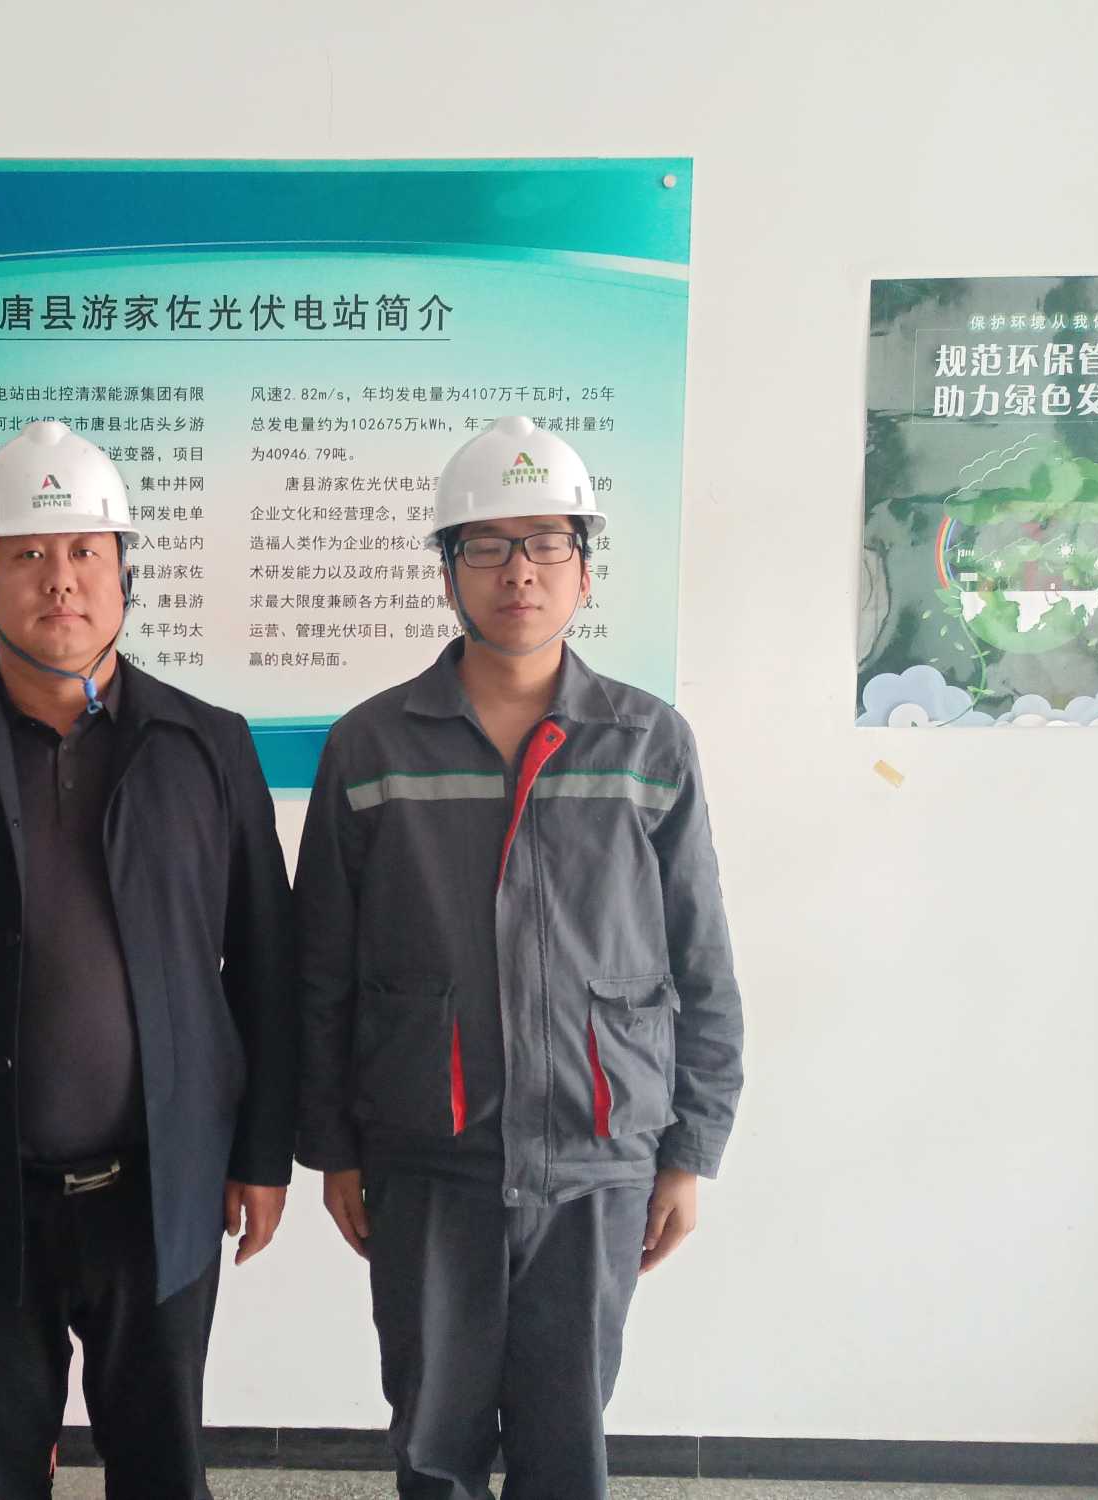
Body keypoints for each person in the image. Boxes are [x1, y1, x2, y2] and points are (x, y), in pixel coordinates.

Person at [0, 419, 295, 1500]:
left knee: (163, 1470)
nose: (60, 578)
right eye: (27, 553)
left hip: (160, 1190)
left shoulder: (207, 745)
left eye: (85, 551)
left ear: (125, 574)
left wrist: (263, 1154)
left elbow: (265, 966)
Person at [295, 415, 743, 1500]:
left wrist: (689, 1148)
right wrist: (333, 1147)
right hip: (427, 1155)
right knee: (432, 1440)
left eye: (545, 543)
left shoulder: (647, 742)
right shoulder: (372, 744)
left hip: (598, 1157)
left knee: (564, 1441)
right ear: (448, 569)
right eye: (487, 546)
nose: (519, 572)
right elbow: (321, 969)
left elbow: (699, 958)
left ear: (584, 568)